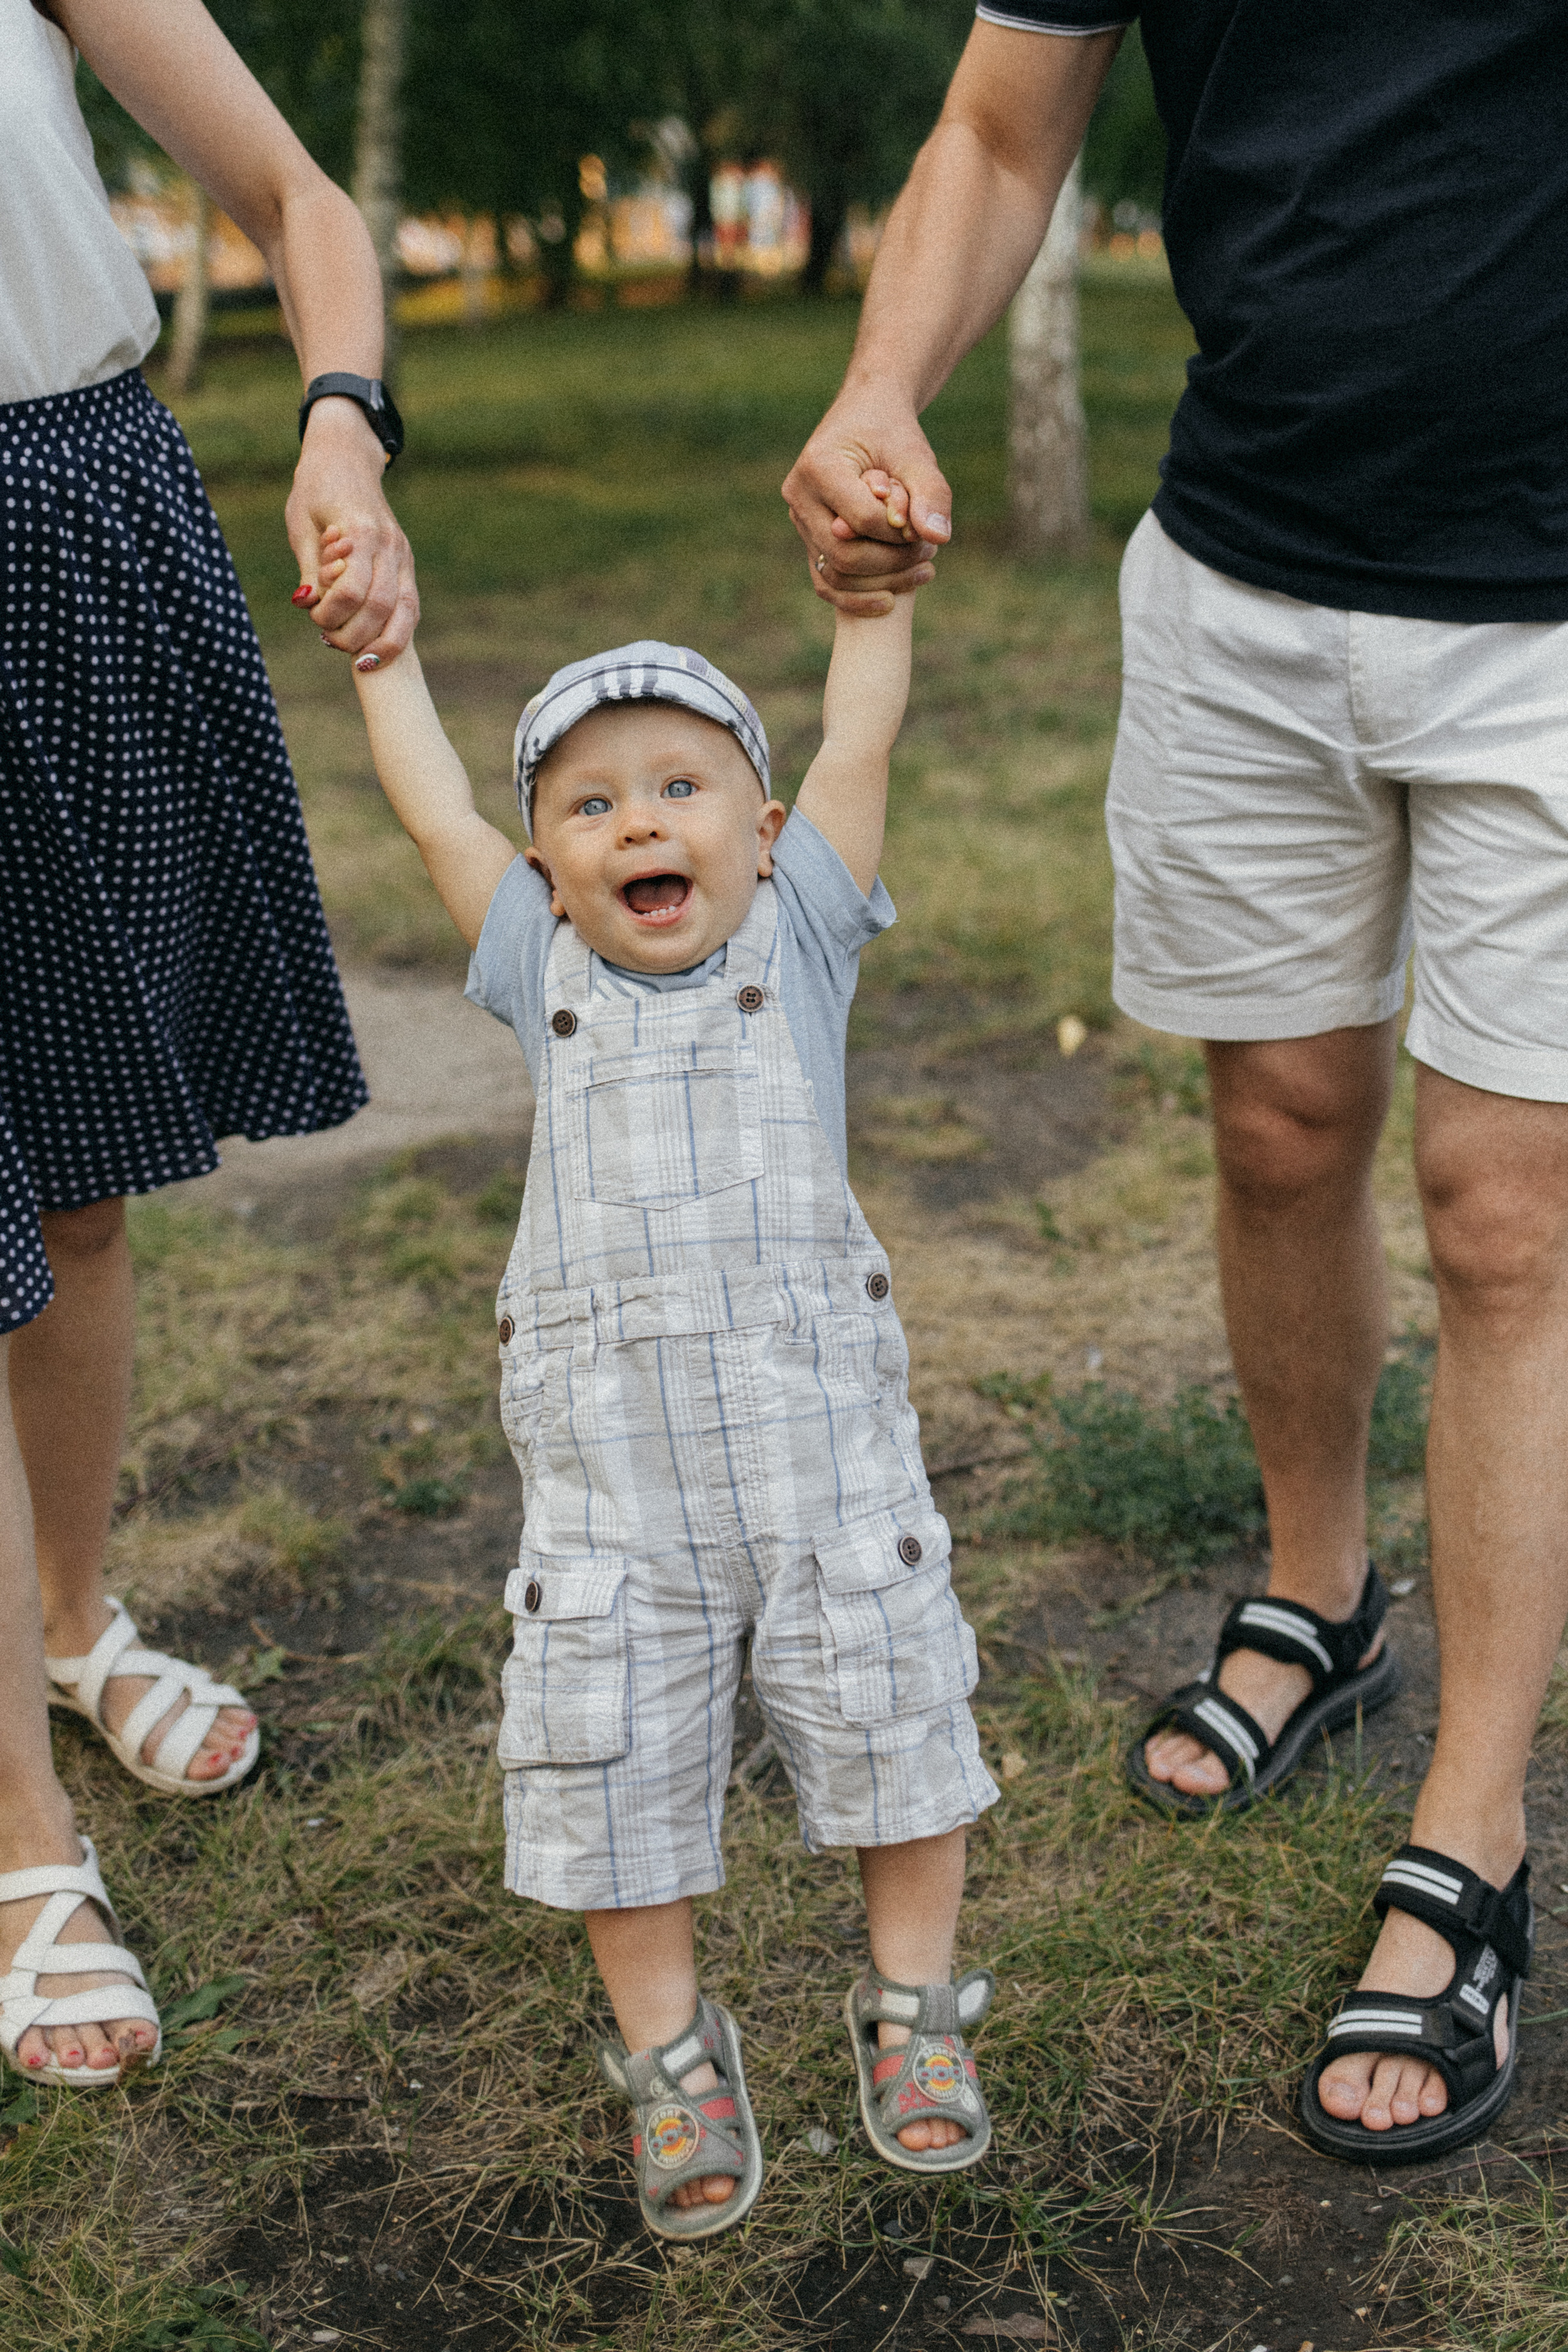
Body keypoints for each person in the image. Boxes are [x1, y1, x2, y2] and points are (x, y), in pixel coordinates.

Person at [781, 6, 1568, 2166]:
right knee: (1280, 1127)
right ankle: (1323, 1595)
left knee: (1508, 1214)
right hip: (1246, 573)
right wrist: (878, 387)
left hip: (1554, 620)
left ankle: (1473, 1832)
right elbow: (1000, 127)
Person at [344, 523, 998, 2239]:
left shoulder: (807, 937)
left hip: (822, 1460)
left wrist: (871, 613)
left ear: (764, 834)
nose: (640, 819)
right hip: (617, 1497)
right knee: (606, 1756)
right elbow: (431, 811)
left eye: (683, 785)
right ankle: (670, 2053)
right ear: (549, 872)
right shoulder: (534, 966)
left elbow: (862, 741)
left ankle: (913, 2007)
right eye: (590, 803)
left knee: (892, 1719)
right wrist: (381, 658)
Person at [1, 0, 417, 2090]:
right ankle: (19, 1837)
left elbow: (296, 196)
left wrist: (344, 419)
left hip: (71, 531)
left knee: (74, 1188)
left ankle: (68, 1627)